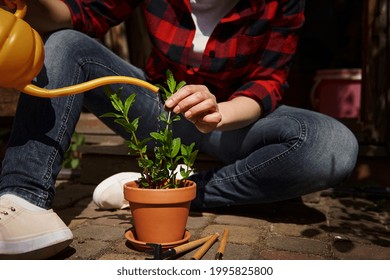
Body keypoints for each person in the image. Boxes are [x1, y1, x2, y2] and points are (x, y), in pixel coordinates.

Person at [0, 0, 358, 259]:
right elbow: (81, 13)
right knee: (65, 42)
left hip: (235, 118)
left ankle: (163, 190)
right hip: (159, 109)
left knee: (331, 145)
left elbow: (268, 81)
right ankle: (20, 201)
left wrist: (218, 111)